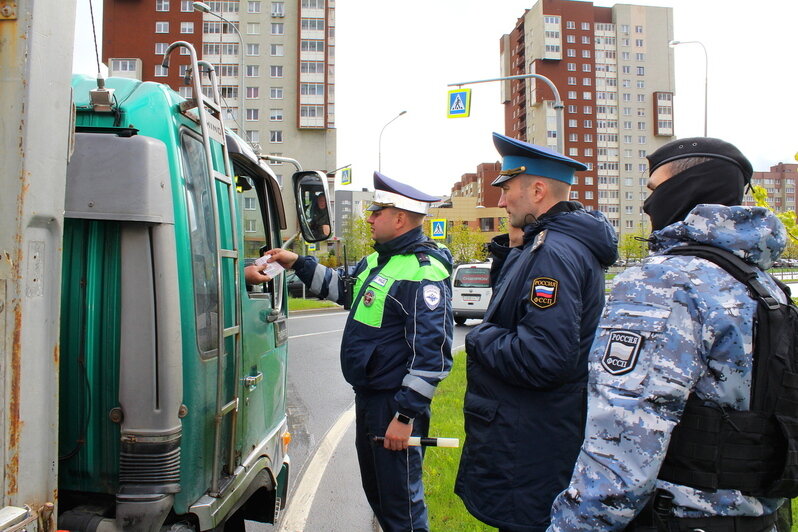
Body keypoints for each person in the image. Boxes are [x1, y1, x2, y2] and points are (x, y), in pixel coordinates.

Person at [547, 137, 789, 531]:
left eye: (655, 189)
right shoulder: (764, 286)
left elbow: (622, 447)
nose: (648, 204)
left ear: (690, 186)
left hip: (675, 517)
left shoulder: (663, 282)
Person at [265, 171, 453, 532]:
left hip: (393, 405)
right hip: (369, 400)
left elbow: (432, 356)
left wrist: (404, 416)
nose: (368, 218)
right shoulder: (376, 262)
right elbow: (341, 288)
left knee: (402, 507)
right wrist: (296, 262)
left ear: (399, 218)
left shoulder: (422, 272)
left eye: (376, 212)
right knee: (379, 496)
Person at [455, 133, 618, 531]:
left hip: (527, 447)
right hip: (531, 438)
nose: (500, 201)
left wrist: (478, 337)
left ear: (539, 190)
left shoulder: (553, 252)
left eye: (507, 188)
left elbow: (542, 358)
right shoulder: (545, 245)